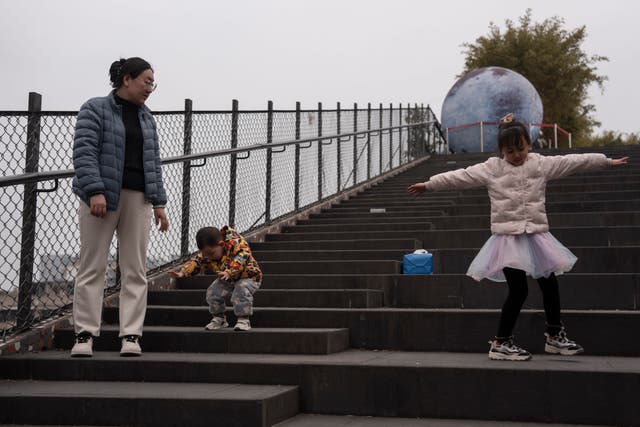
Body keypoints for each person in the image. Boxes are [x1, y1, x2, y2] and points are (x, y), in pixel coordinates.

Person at [407, 113, 629, 361]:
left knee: (550, 286)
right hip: (508, 239)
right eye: (510, 151)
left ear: (529, 145)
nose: (516, 155)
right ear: (502, 151)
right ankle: (501, 342)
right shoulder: (492, 168)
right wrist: (429, 184)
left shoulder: (539, 164)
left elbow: (573, 161)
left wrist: (606, 161)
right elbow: (460, 176)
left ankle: (554, 336)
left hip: (536, 235)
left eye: (520, 149)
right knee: (519, 291)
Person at [70, 57, 169, 358]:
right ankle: (85, 334)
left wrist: (159, 204)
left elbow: (153, 163)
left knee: (135, 269)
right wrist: (95, 190)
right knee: (92, 266)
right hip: (101, 198)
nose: (150, 87)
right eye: (147, 81)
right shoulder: (95, 108)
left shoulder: (147, 118)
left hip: (139, 198)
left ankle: (131, 336)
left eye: (153, 82)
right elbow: (84, 150)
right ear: (127, 79)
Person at [170, 226, 262, 331]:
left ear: (221, 244)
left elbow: (242, 256)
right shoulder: (209, 252)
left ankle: (243, 320)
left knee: (240, 289)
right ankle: (220, 319)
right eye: (206, 255)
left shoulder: (236, 243)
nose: (209, 257)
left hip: (249, 276)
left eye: (211, 254)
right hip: (228, 278)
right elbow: (197, 262)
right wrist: (183, 272)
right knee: (212, 292)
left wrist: (229, 271)